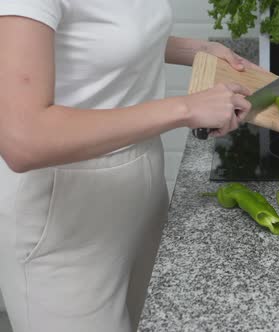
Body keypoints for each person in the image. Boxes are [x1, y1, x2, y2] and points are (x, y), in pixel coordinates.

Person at [0, 1, 255, 331]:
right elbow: (24, 140)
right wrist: (184, 108)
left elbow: (104, 37)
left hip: (141, 186)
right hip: (63, 216)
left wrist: (198, 50)